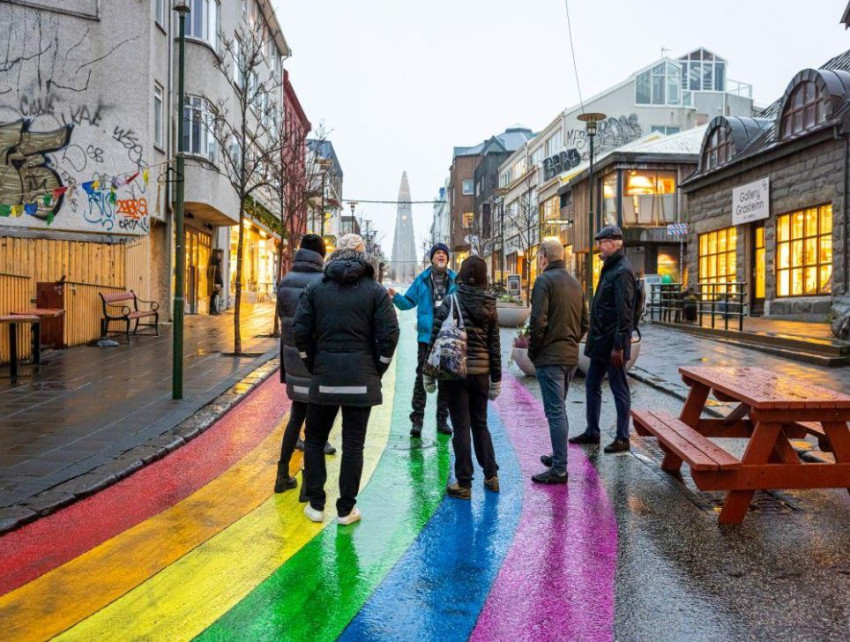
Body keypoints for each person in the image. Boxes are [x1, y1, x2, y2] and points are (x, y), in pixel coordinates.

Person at [293, 234, 399, 525]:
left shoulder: (316, 288)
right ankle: (345, 509)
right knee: (354, 445)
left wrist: (313, 363)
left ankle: (316, 505)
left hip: (324, 378)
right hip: (360, 380)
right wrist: (377, 368)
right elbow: (390, 334)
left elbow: (300, 331)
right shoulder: (375, 292)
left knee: (314, 439)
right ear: (364, 256)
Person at [425, 255, 501, 500]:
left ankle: (464, 482)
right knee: (480, 423)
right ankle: (491, 475)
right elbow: (495, 345)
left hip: (454, 372)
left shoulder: (450, 300)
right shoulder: (490, 304)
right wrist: (496, 379)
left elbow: (435, 337)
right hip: (481, 373)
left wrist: (428, 373)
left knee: (461, 427)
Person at [273, 234, 336, 494]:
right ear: (321, 256)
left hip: (292, 360)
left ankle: (282, 474)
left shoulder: (285, 281)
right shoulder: (323, 283)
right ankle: (308, 484)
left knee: (296, 416)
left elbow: (282, 318)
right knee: (316, 425)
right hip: (315, 361)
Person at [570, 225, 636, 454]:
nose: (598, 246)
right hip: (601, 340)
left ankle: (622, 437)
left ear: (614, 242)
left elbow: (624, 312)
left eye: (601, 242)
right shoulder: (611, 267)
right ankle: (592, 431)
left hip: (612, 343)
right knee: (591, 383)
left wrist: (618, 346)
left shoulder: (622, 270)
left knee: (619, 386)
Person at [528, 239, 588, 484]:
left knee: (555, 411)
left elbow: (538, 322)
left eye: (539, 255)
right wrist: (570, 340)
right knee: (558, 409)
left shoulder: (544, 281)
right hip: (569, 356)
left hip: (550, 357)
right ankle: (558, 456)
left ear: (544, 256)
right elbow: (585, 323)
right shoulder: (575, 283)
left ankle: (560, 468)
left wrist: (534, 350)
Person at [387, 243, 456, 438]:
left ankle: (442, 420)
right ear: (432, 258)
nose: (441, 256)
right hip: (426, 337)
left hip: (447, 337)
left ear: (447, 258)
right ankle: (417, 420)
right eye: (438, 253)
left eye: (444, 253)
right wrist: (395, 298)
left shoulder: (454, 280)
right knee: (422, 378)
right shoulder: (422, 279)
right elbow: (409, 302)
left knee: (445, 379)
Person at [207, 249, 224, 315]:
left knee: (213, 297)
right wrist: (221, 283)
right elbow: (218, 275)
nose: (219, 256)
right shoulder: (215, 266)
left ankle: (213, 310)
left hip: (211, 283)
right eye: (218, 254)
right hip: (215, 283)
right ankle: (212, 310)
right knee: (213, 297)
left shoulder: (210, 265)